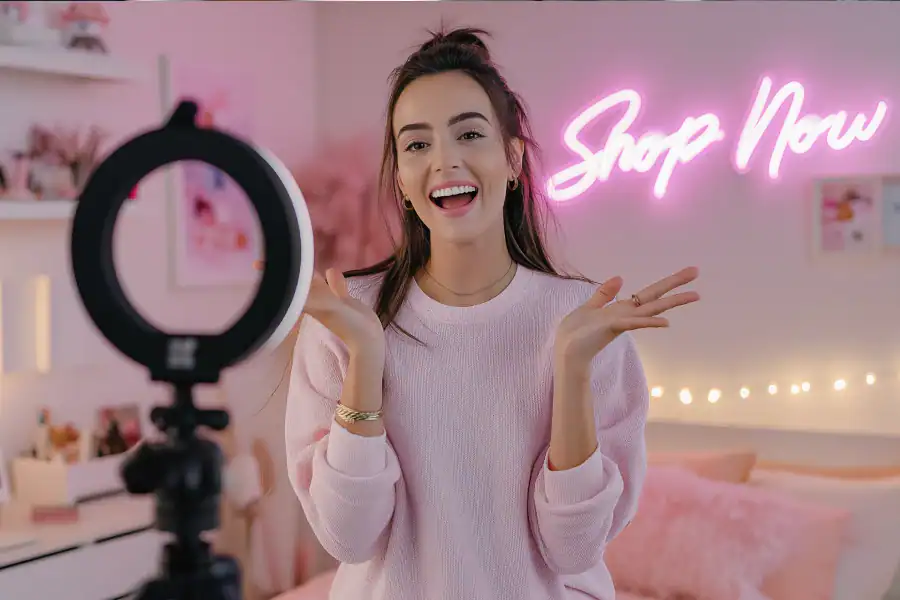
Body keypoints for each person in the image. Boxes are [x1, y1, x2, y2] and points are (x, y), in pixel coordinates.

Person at [284, 27, 699, 600]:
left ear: (512, 158)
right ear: (402, 182)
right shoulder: (346, 320)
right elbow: (349, 539)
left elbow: (574, 551)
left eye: (469, 134)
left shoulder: (584, 321)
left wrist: (572, 369)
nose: (444, 161)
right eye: (417, 145)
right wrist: (365, 363)